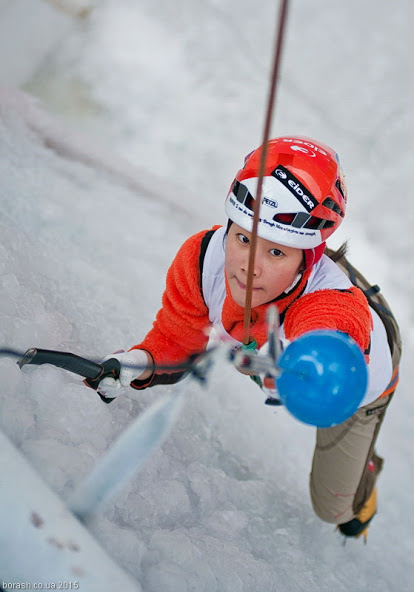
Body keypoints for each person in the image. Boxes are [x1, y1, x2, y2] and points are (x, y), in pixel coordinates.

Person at [94, 136, 401, 540]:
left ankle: (368, 468)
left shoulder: (327, 307)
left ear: (303, 262)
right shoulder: (204, 260)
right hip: (322, 288)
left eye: (276, 253)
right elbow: (175, 340)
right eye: (243, 239)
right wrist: (136, 362)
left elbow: (330, 328)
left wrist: (322, 359)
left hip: (364, 372)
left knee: (339, 514)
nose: (248, 268)